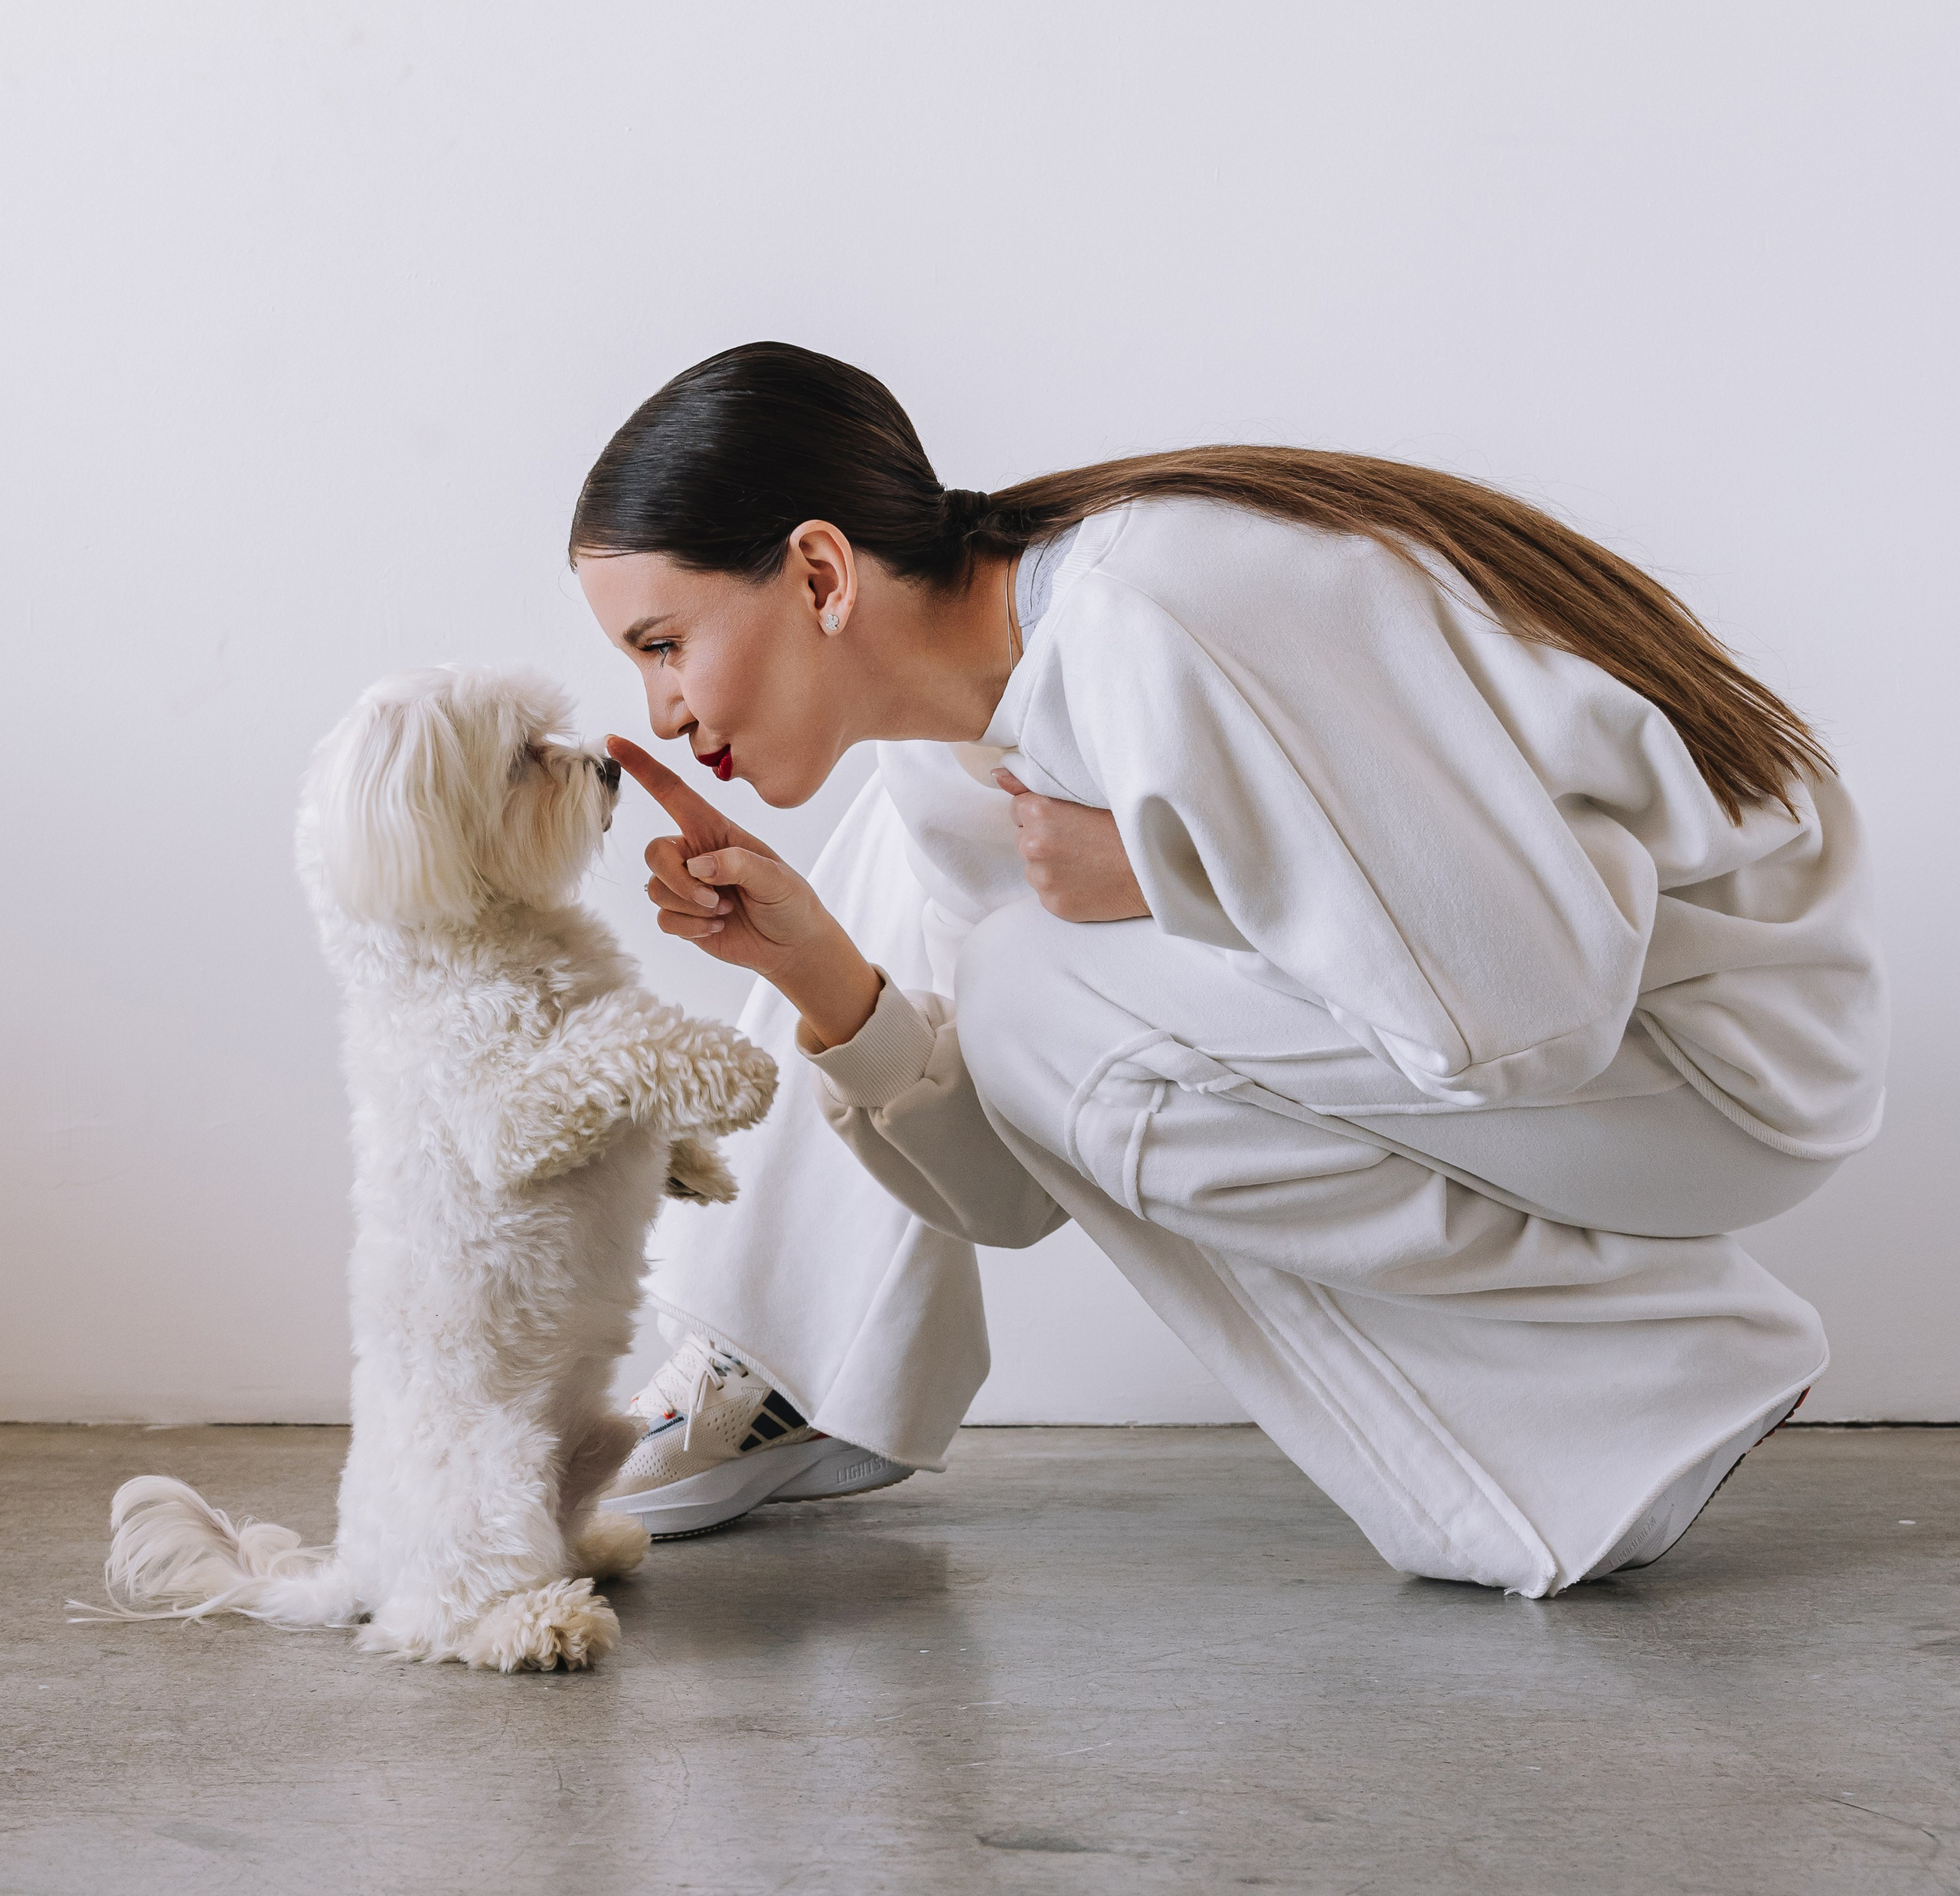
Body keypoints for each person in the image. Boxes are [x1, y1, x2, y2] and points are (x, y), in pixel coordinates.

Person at [570, 342, 1885, 1592]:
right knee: (936, 891)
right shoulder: (954, 751)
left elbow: (1536, 1003)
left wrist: (1164, 869)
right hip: (1568, 1051)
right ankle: (790, 1371)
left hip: (1721, 1054)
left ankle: (1664, 1366)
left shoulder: (1162, 605)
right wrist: (821, 977)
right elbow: (1028, 1178)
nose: (662, 714)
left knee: (1028, 976)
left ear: (818, 575)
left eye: (664, 643)